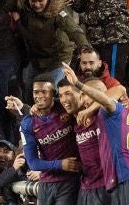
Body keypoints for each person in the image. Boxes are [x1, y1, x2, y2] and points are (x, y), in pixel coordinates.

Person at [62, 63, 129, 204]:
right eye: (83, 96)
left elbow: (118, 90)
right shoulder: (100, 116)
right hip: (118, 181)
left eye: (87, 94)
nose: (83, 99)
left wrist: (78, 84)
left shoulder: (110, 110)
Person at [5, 0, 89, 103]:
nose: (37, 5)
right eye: (33, 0)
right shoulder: (20, 1)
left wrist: (84, 48)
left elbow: (74, 31)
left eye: (41, 0)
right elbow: (3, 7)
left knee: (50, 92)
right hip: (35, 58)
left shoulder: (58, 10)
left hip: (57, 58)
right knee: (29, 91)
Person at [19, 74, 81, 205]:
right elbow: (33, 163)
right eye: (36, 92)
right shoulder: (28, 123)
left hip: (69, 181)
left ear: (53, 94)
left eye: (44, 92)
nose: (39, 96)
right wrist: (60, 164)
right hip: (45, 184)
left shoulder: (65, 108)